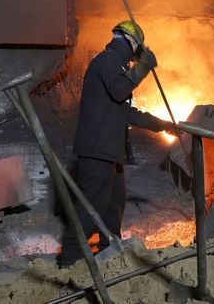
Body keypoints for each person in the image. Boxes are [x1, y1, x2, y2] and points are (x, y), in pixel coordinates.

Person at [58, 20, 177, 267]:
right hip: (97, 149)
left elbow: (128, 113)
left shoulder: (117, 67)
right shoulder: (107, 61)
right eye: (137, 50)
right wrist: (143, 66)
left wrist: (163, 125)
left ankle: (108, 248)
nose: (136, 56)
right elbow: (119, 90)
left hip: (110, 150)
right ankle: (69, 259)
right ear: (131, 42)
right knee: (92, 204)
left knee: (114, 203)